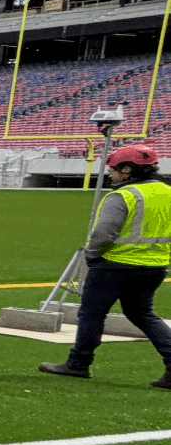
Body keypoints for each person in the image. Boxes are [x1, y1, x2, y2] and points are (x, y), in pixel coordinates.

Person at [39, 142, 171, 388]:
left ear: (128, 169)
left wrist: (91, 255)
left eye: (114, 169)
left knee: (92, 314)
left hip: (114, 265)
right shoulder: (168, 192)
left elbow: (104, 233)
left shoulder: (124, 195)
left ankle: (78, 364)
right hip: (155, 266)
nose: (111, 174)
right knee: (143, 314)